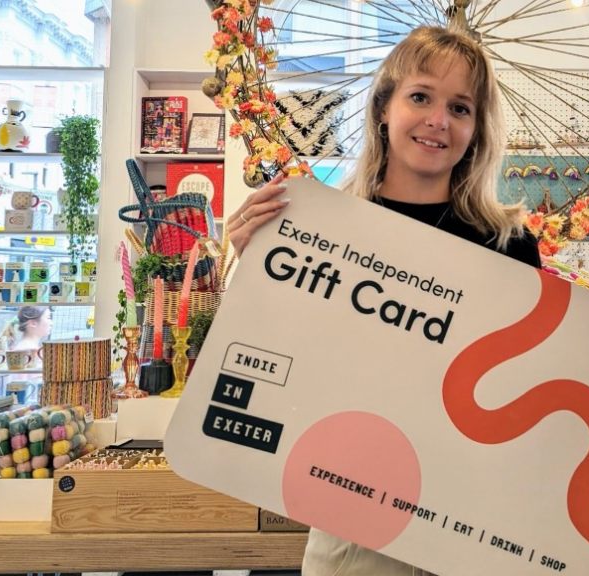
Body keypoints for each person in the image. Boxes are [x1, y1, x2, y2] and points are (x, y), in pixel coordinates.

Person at [227, 25, 541, 576]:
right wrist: (252, 270)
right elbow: (276, 368)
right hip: (355, 526)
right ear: (383, 108)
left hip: (476, 527)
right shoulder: (318, 230)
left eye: (460, 107)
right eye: (420, 96)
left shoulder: (508, 246)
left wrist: (560, 542)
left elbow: (526, 403)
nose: (438, 121)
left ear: (476, 129)